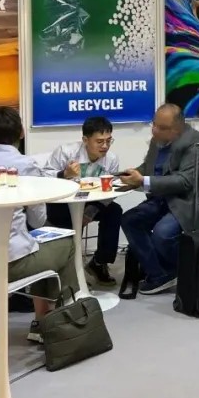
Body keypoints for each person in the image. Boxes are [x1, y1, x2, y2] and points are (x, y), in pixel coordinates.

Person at [0, 106, 79, 344]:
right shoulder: (25, 167)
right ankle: (58, 325)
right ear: (22, 133)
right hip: (9, 263)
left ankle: (44, 321)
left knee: (41, 248)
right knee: (64, 245)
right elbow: (38, 220)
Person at [118, 104, 199, 295]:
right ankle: (159, 274)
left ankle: (189, 269)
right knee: (130, 220)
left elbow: (184, 182)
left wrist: (142, 181)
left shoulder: (198, 145)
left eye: (161, 128)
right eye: (154, 124)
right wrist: (132, 176)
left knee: (163, 233)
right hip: (166, 197)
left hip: (192, 201)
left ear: (178, 128)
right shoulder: (158, 140)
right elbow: (149, 167)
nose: (154, 131)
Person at [42, 115, 123, 287]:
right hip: (63, 203)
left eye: (109, 141)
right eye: (99, 141)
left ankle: (99, 263)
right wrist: (64, 174)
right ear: (85, 140)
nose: (105, 146)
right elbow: (43, 177)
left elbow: (111, 190)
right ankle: (68, 272)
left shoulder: (112, 159)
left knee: (114, 211)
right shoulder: (66, 152)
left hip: (92, 203)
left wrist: (91, 212)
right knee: (66, 223)